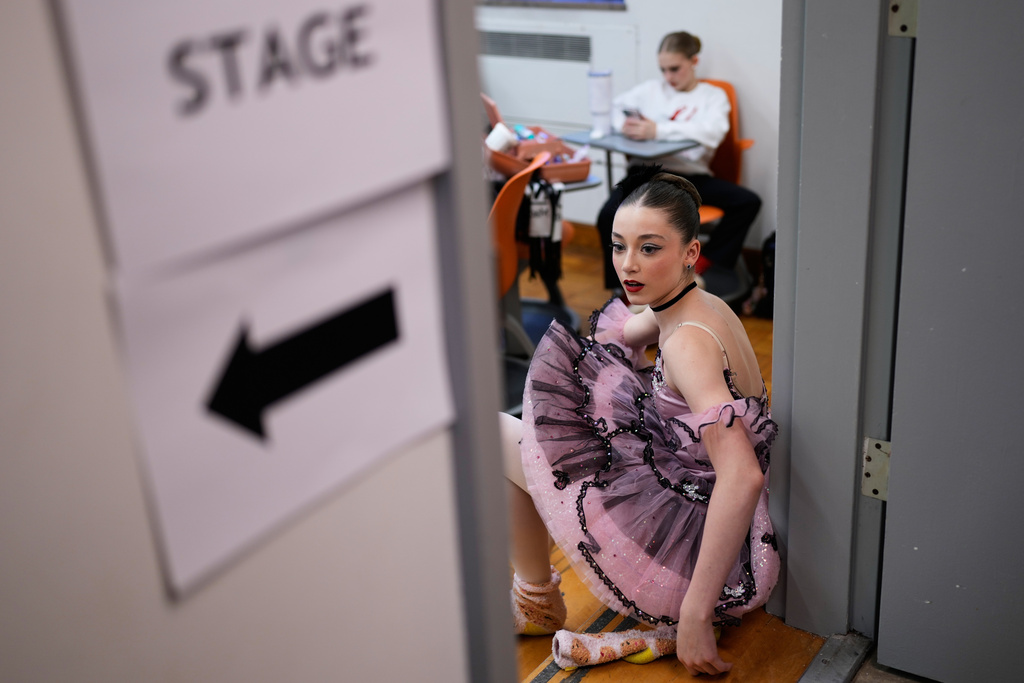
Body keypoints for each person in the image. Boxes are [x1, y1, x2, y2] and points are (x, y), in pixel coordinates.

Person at [502, 167, 779, 675]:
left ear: (691, 253)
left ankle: (535, 598)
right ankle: (535, 594)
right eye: (618, 246)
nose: (628, 265)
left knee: (502, 435)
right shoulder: (696, 302)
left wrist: (695, 615)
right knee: (546, 430)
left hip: (687, 537)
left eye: (650, 248)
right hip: (687, 485)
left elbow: (742, 475)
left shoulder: (688, 342)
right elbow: (626, 333)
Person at [596, 31, 761, 295]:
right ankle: (623, 292)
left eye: (675, 69)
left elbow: (712, 132)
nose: (668, 77)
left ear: (694, 61)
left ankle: (702, 267)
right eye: (663, 70)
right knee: (608, 216)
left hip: (689, 178)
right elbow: (614, 111)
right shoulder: (650, 91)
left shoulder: (712, 96)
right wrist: (627, 126)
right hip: (645, 175)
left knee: (748, 202)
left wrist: (657, 131)